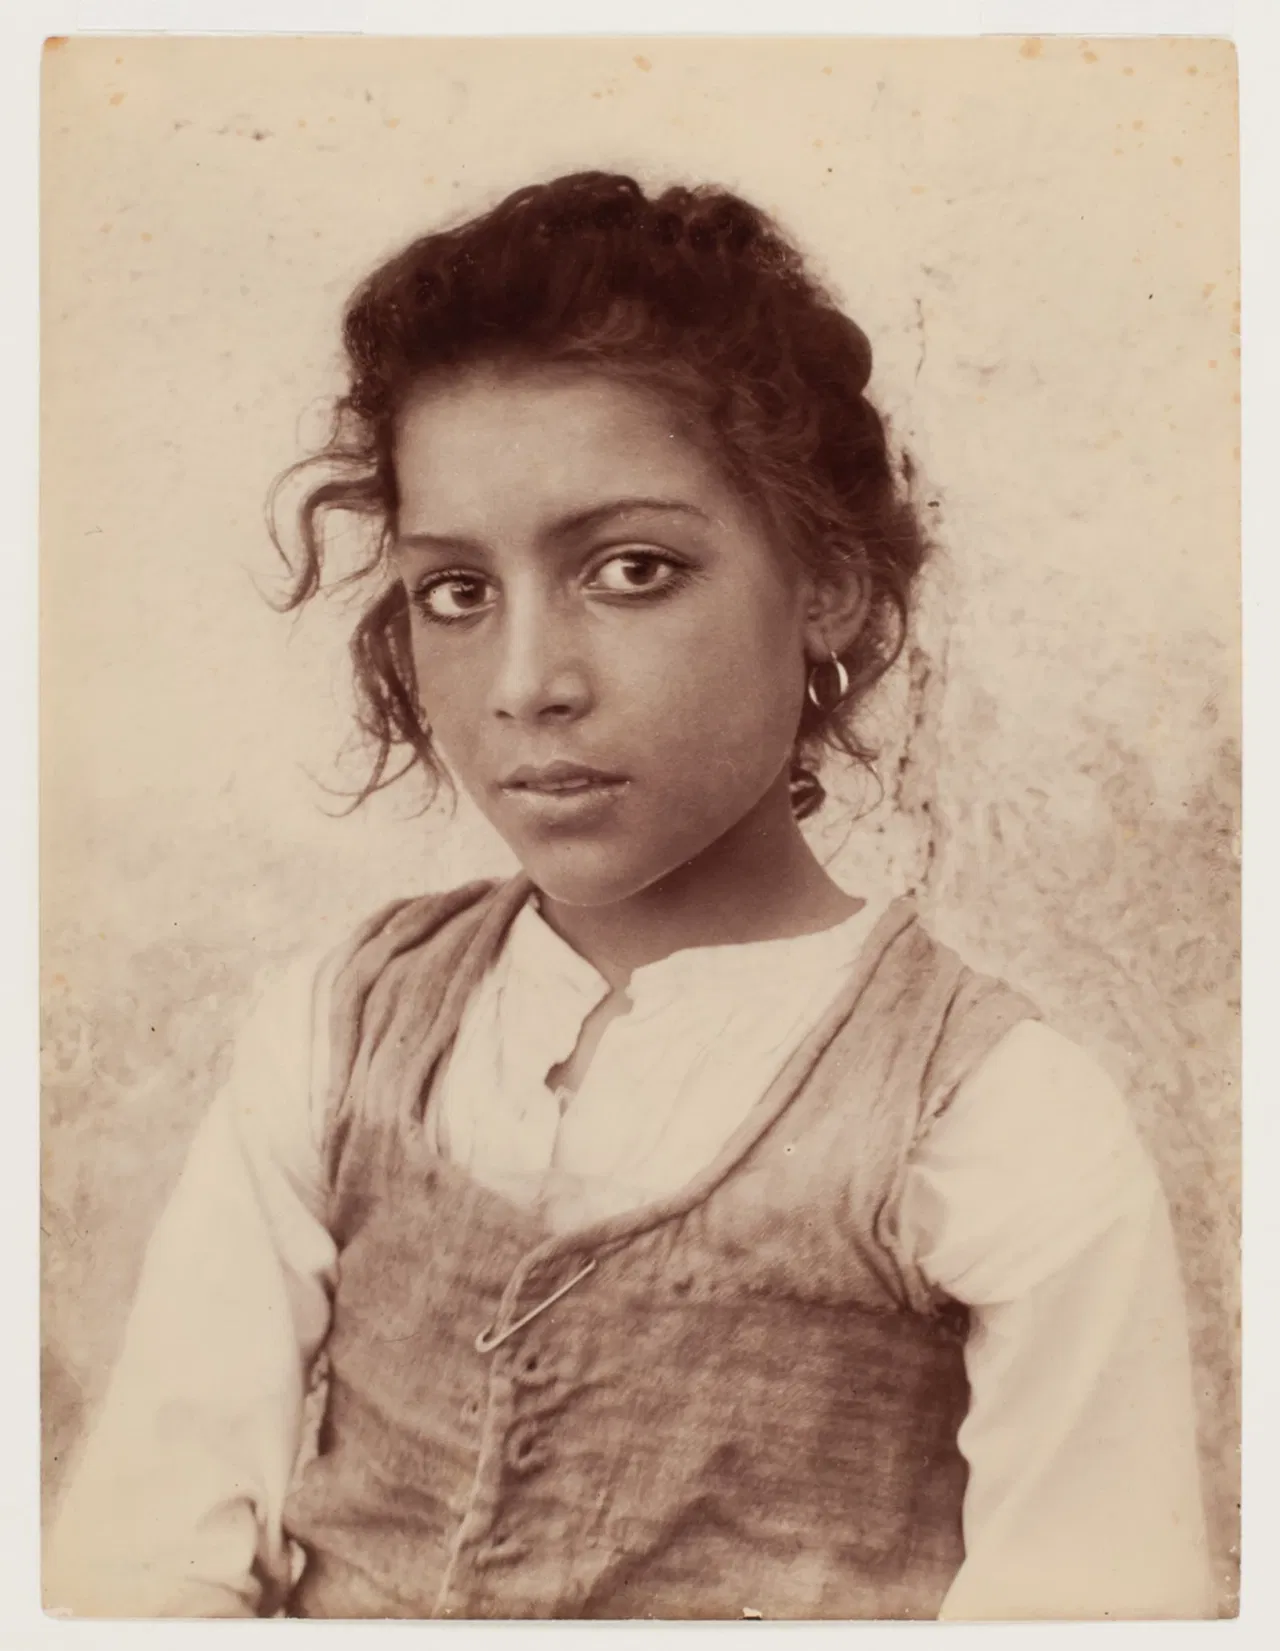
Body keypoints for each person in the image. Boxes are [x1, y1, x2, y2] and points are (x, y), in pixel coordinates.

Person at [45, 171, 1215, 1621]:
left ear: (829, 588)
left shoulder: (993, 1115)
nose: (528, 682)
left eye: (633, 569)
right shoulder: (339, 1031)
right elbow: (142, 1566)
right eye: (456, 591)